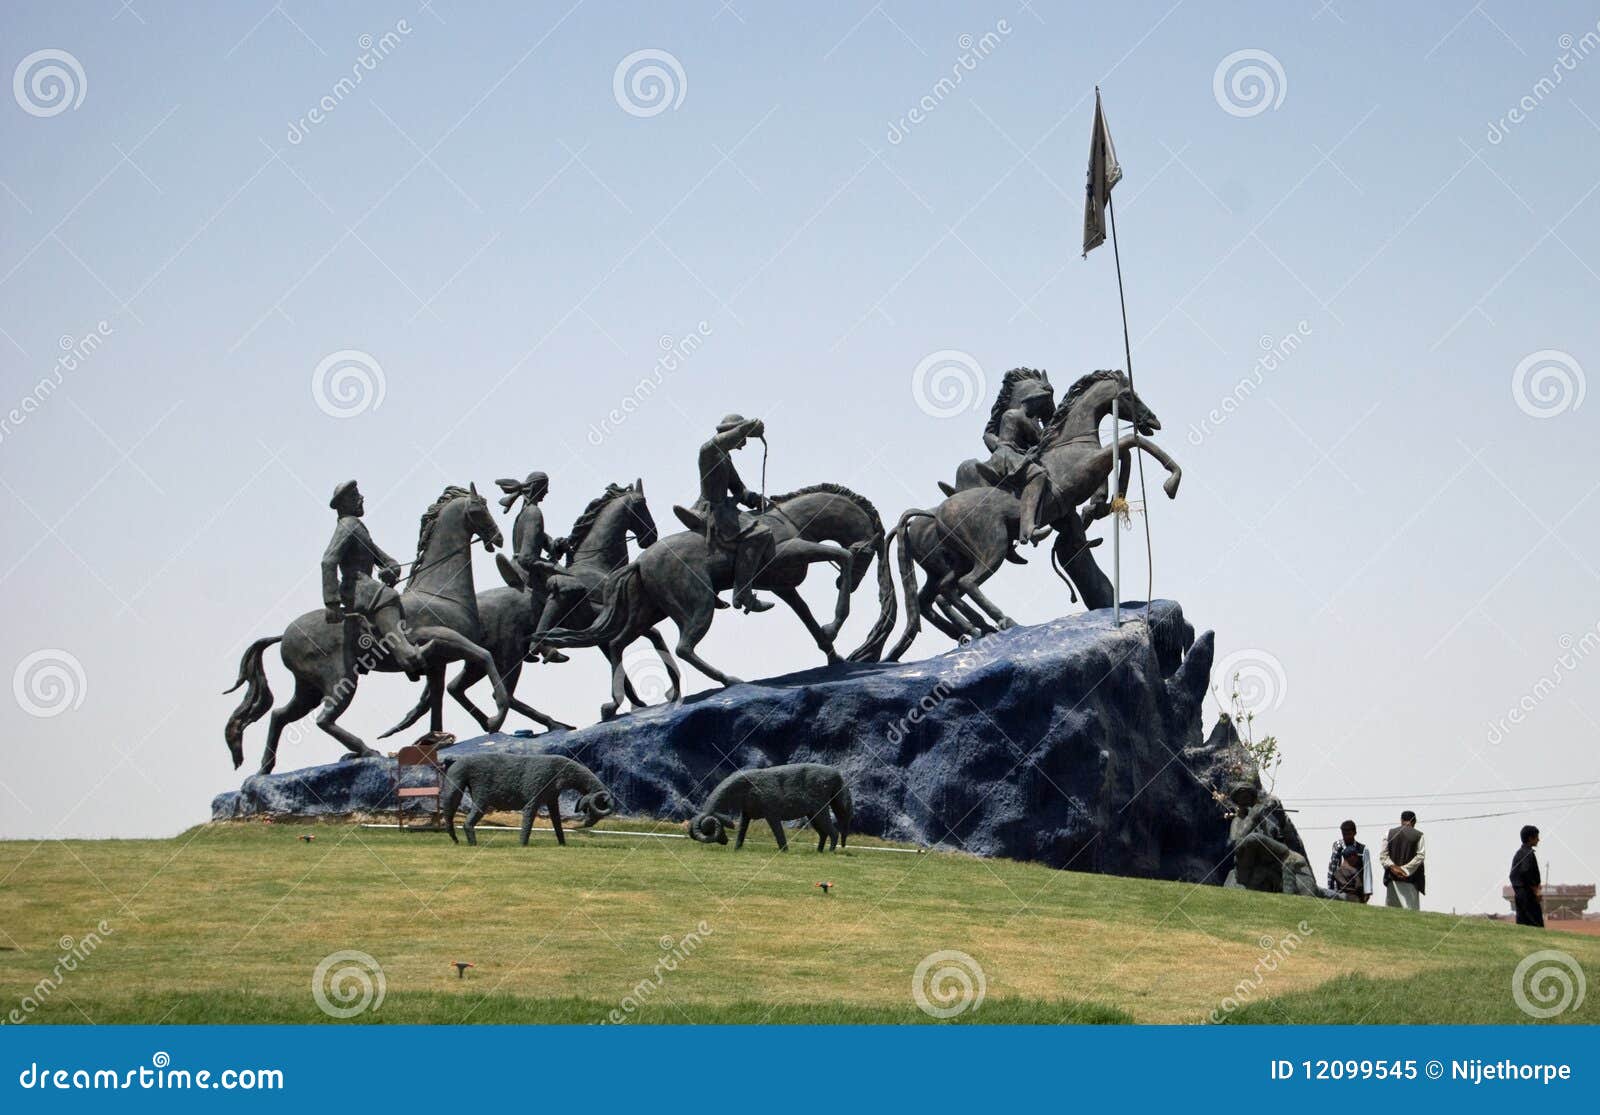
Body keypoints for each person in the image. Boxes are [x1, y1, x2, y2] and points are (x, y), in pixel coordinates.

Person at [320, 480, 425, 678]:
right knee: (388, 596)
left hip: (365, 584)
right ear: (343, 503)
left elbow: (384, 559)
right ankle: (404, 652)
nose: (361, 499)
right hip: (356, 586)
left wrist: (392, 568)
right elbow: (328, 561)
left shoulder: (357, 526)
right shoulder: (347, 525)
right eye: (355, 496)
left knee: (390, 595)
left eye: (359, 495)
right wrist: (331, 602)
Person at [691, 414, 775, 614]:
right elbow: (732, 436)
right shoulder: (709, 451)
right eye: (742, 440)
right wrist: (750, 427)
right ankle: (743, 594)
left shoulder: (725, 456)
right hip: (713, 510)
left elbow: (738, 488)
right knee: (760, 533)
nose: (743, 444)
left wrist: (756, 499)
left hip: (726, 508)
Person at [1379, 810, 1426, 910]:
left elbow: (1383, 856)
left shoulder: (1389, 833)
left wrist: (1394, 868)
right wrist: (1404, 869)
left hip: (1392, 880)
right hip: (1411, 881)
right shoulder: (1419, 835)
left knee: (1390, 914)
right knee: (1411, 914)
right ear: (1415, 821)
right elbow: (1420, 856)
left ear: (1401, 820)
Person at [1326, 820, 1373, 903]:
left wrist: (1367, 891)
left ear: (1355, 833)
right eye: (1344, 834)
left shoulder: (1363, 850)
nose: (1346, 837)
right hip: (1338, 888)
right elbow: (1332, 867)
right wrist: (1330, 887)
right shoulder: (1337, 846)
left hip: (1356, 889)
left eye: (1349, 834)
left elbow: (1367, 871)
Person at [1509, 824, 1544, 928]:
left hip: (1520, 894)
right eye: (1536, 837)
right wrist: (1536, 891)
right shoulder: (1528, 853)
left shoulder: (1519, 853)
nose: (1538, 839)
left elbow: (1512, 875)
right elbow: (1526, 872)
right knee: (1535, 924)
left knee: (1523, 925)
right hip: (1528, 895)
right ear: (1530, 838)